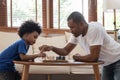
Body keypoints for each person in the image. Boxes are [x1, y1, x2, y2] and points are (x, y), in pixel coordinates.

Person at [39, 11, 120, 80]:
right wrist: (51, 48)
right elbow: (65, 51)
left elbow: (93, 57)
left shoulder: (94, 29)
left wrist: (77, 57)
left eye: (72, 27)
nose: (71, 31)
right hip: (106, 64)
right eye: (69, 28)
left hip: (117, 58)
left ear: (81, 24)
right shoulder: (77, 34)